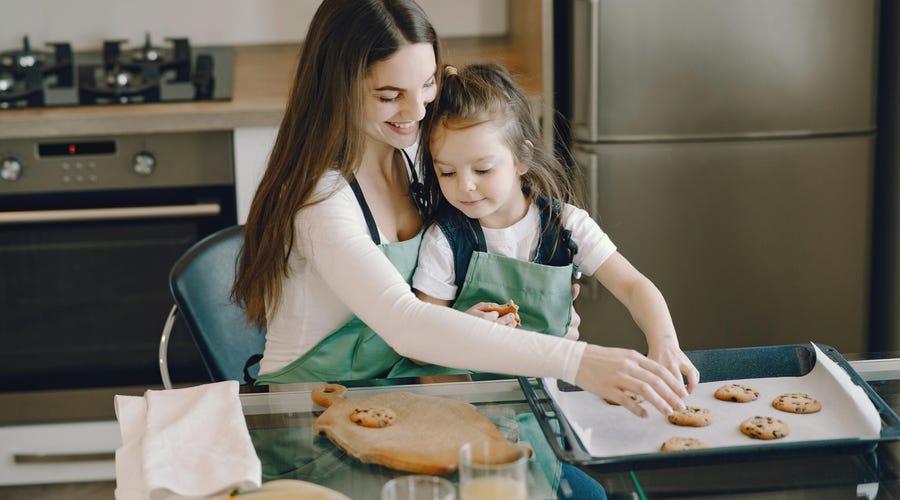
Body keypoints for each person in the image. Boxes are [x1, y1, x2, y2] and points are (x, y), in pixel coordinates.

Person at [234, 0, 692, 417]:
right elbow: (406, 323)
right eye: (390, 95)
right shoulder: (321, 199)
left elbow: (441, 300)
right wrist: (579, 361)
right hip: (308, 414)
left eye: (427, 84)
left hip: (397, 400)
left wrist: (504, 312)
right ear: (337, 88)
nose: (417, 111)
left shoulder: (415, 158)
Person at [412, 63, 699, 393]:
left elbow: (633, 286)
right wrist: (462, 329)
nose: (465, 185)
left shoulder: (566, 226)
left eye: (483, 169)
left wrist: (665, 343)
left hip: (555, 395)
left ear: (522, 158)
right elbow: (419, 344)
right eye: (447, 173)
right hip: (475, 402)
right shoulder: (444, 241)